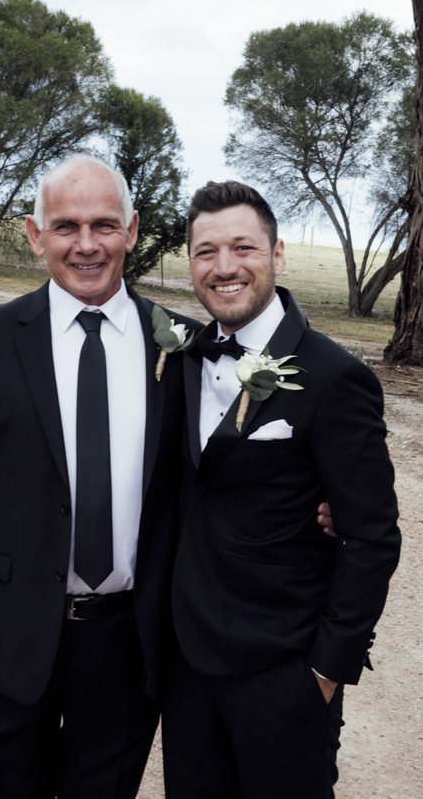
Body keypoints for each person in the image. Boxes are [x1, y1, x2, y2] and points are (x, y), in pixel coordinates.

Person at [0, 154, 203, 799]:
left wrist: (313, 501)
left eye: (104, 225)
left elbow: (227, 469)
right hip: (5, 639)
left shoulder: (183, 346)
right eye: (66, 226)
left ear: (130, 230)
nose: (87, 245)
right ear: (35, 235)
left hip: (132, 642)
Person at [163, 180, 401, 799]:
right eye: (205, 251)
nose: (224, 267)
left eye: (243, 247)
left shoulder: (336, 377)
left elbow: (372, 536)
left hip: (283, 668)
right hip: (185, 664)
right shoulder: (181, 359)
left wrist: (326, 668)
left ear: (277, 254)